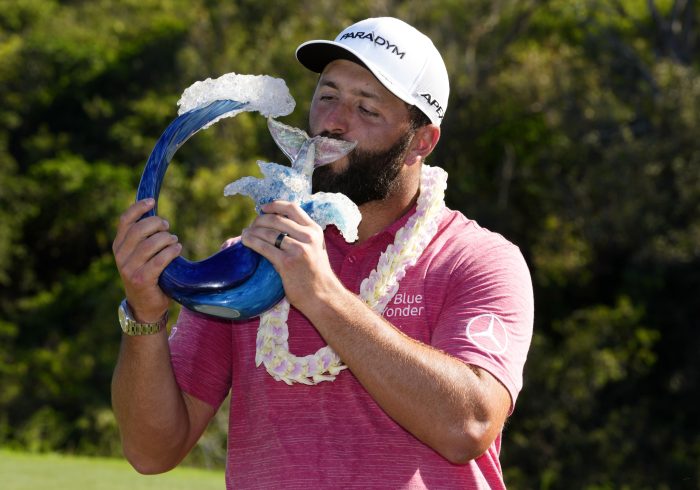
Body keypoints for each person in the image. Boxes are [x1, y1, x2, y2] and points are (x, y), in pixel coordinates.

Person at [111, 16, 534, 489]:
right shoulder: (250, 258)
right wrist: (145, 314)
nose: (333, 122)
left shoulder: (477, 260)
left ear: (422, 141)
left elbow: (468, 427)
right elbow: (151, 451)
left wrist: (322, 295)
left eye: (366, 109)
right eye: (327, 96)